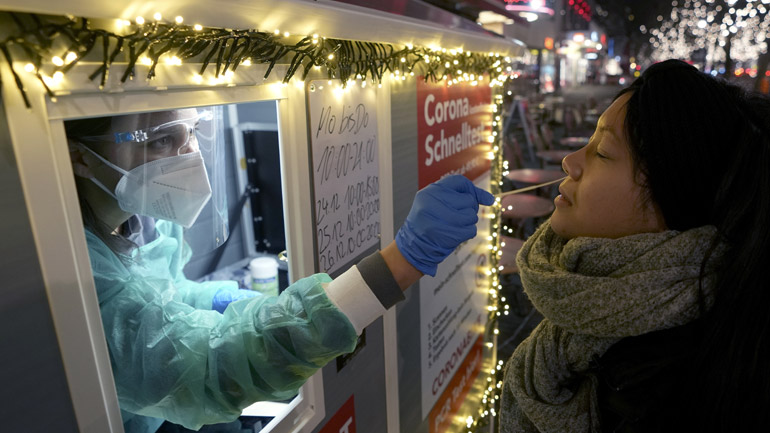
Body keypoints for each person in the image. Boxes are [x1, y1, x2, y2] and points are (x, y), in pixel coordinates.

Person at [66, 109, 495, 433]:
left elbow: (164, 296)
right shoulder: (74, 269)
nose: (188, 157)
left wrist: (217, 297)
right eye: (160, 140)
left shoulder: (142, 221)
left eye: (192, 133)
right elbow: (212, 366)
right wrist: (403, 261)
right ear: (79, 156)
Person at [500, 59, 770, 433]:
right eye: (588, 142)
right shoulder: (596, 319)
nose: (570, 162)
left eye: (603, 153)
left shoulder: (662, 388)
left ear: (673, 204)